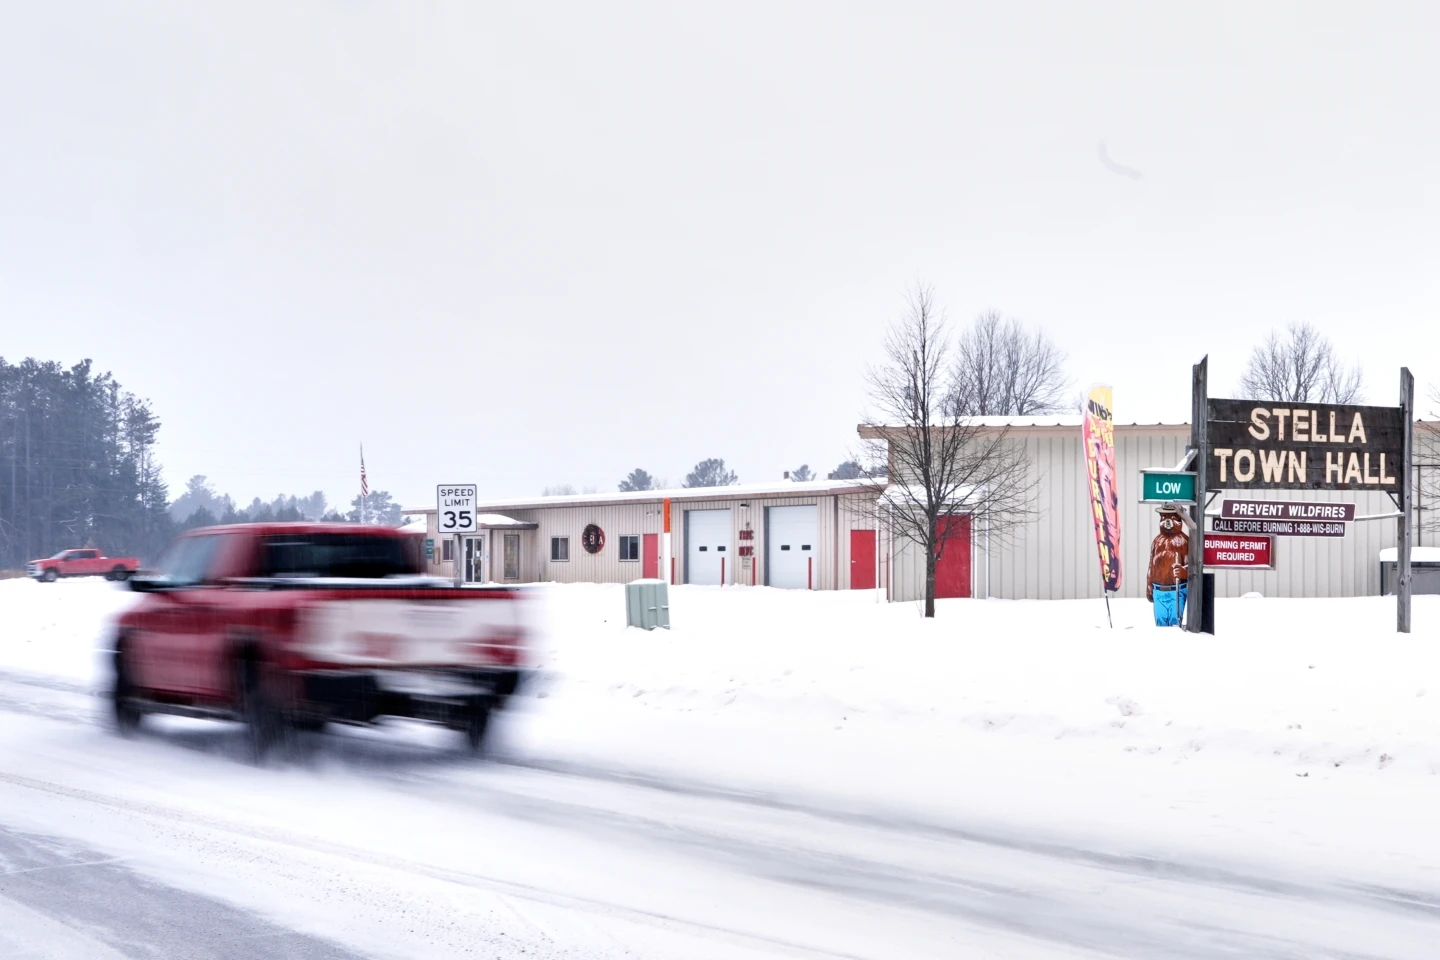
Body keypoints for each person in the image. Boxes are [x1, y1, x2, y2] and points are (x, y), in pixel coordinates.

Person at [1147, 505, 1189, 626]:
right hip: (1158, 591)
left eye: (1173, 518)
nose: (1167, 521)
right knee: (1160, 622)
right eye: (1164, 517)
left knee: (1175, 622)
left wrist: (1183, 572)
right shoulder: (1157, 541)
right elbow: (1151, 565)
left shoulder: (1184, 541)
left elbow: (1191, 566)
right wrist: (1149, 586)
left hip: (1176, 590)